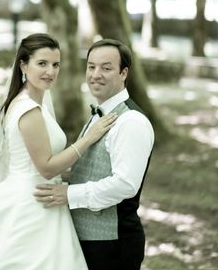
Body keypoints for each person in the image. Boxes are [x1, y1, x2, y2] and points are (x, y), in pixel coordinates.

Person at [0, 33, 117, 270]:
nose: (51, 71)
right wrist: (89, 138)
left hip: (43, 197)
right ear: (23, 65)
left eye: (55, 64)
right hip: (31, 202)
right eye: (42, 63)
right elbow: (45, 167)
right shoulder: (29, 110)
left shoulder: (34, 103)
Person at [34, 38, 155, 270]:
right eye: (91, 66)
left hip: (113, 244)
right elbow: (95, 168)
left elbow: (125, 184)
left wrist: (69, 194)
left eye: (106, 68)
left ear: (124, 73)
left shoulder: (132, 122)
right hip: (90, 243)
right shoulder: (100, 113)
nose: (95, 74)